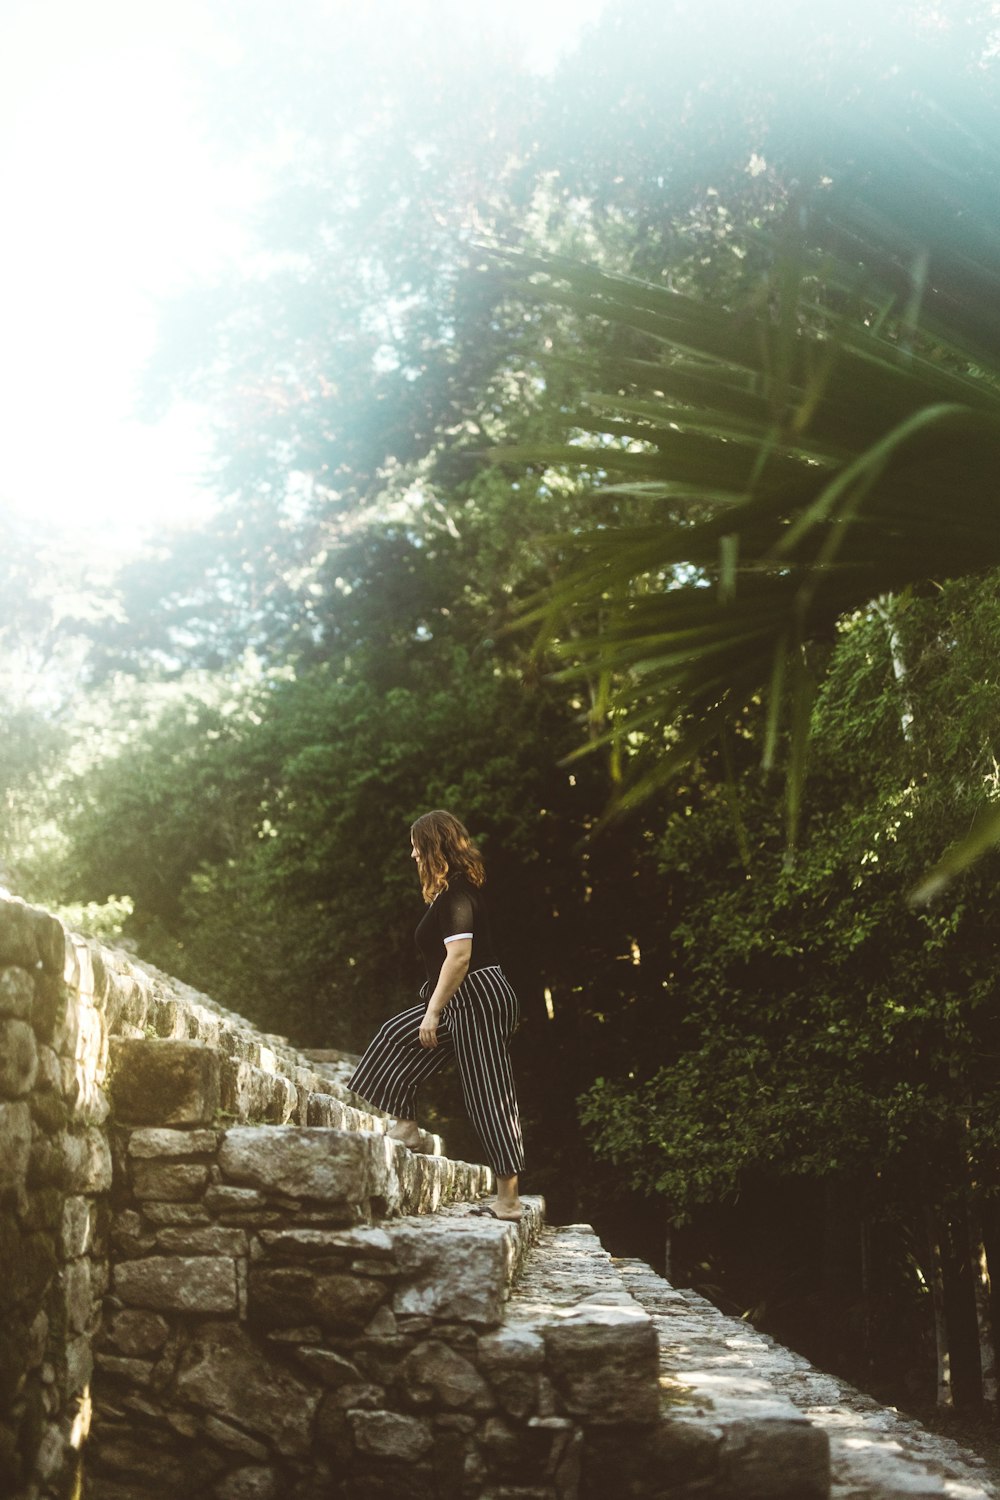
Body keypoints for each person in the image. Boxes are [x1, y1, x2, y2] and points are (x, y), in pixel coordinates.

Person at [347, 810, 524, 1221]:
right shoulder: (450, 895)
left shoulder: (459, 895)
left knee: (488, 1091)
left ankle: (509, 1200)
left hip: (477, 997)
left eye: (415, 845)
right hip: (465, 999)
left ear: (433, 847)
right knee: (394, 1035)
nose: (411, 854)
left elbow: (459, 958)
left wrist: (432, 1012)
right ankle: (406, 1125)